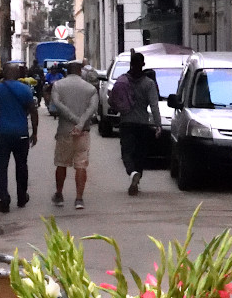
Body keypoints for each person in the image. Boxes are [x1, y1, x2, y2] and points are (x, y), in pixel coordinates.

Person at [0, 62, 38, 213]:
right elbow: (33, 111)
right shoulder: (25, 89)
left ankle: (4, 199)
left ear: (4, 74)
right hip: (21, 134)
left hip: (3, 134)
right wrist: (35, 132)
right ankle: (21, 196)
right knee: (21, 166)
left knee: (1, 167)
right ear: (18, 75)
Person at [110, 50, 161, 196]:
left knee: (127, 152)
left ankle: (132, 173)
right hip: (143, 124)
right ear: (143, 65)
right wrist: (158, 124)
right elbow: (154, 105)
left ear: (130, 64)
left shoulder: (122, 81)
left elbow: (113, 100)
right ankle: (136, 178)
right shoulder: (149, 83)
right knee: (140, 154)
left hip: (126, 122)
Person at [49, 62, 99, 210]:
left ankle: (59, 194)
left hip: (65, 130)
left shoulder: (58, 85)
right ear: (80, 71)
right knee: (81, 165)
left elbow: (57, 104)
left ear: (67, 71)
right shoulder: (90, 89)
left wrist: (73, 120)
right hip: (83, 132)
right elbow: (92, 108)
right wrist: (81, 123)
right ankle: (79, 198)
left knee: (61, 163)